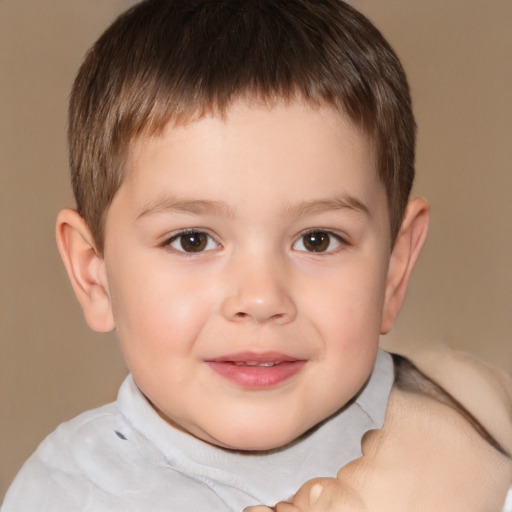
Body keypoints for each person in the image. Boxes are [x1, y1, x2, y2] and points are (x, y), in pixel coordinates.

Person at [2, 0, 511, 510]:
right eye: (192, 240)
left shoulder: (472, 432)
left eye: (317, 239)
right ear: (96, 276)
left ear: (394, 270)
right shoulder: (67, 495)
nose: (262, 298)